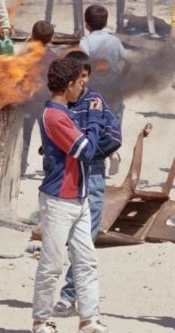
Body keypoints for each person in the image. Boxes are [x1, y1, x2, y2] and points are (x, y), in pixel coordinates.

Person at [31, 58, 110, 333]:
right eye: (79, 83)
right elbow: (85, 150)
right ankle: (41, 320)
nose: (82, 88)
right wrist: (97, 120)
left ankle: (89, 319)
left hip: (79, 198)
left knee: (86, 261)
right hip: (59, 201)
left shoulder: (64, 112)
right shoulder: (54, 116)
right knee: (52, 263)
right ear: (68, 85)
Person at [51, 50, 122, 319]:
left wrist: (87, 149)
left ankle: (70, 295)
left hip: (90, 174)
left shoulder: (95, 102)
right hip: (62, 176)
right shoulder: (59, 104)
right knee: (60, 238)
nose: (81, 83)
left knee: (85, 238)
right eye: (76, 77)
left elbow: (113, 135)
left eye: (83, 76)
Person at [20, 20, 59, 176]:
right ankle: (49, 169)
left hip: (27, 102)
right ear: (51, 38)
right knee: (48, 139)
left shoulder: (25, 55)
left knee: (24, 138)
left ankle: (20, 168)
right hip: (46, 104)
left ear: (32, 35)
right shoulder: (54, 58)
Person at [79, 4, 127, 123]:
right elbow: (128, 61)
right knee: (114, 119)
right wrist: (121, 77)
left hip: (94, 87)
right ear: (105, 23)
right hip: (113, 86)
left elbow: (81, 62)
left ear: (86, 24)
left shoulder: (86, 41)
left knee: (93, 120)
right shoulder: (114, 40)